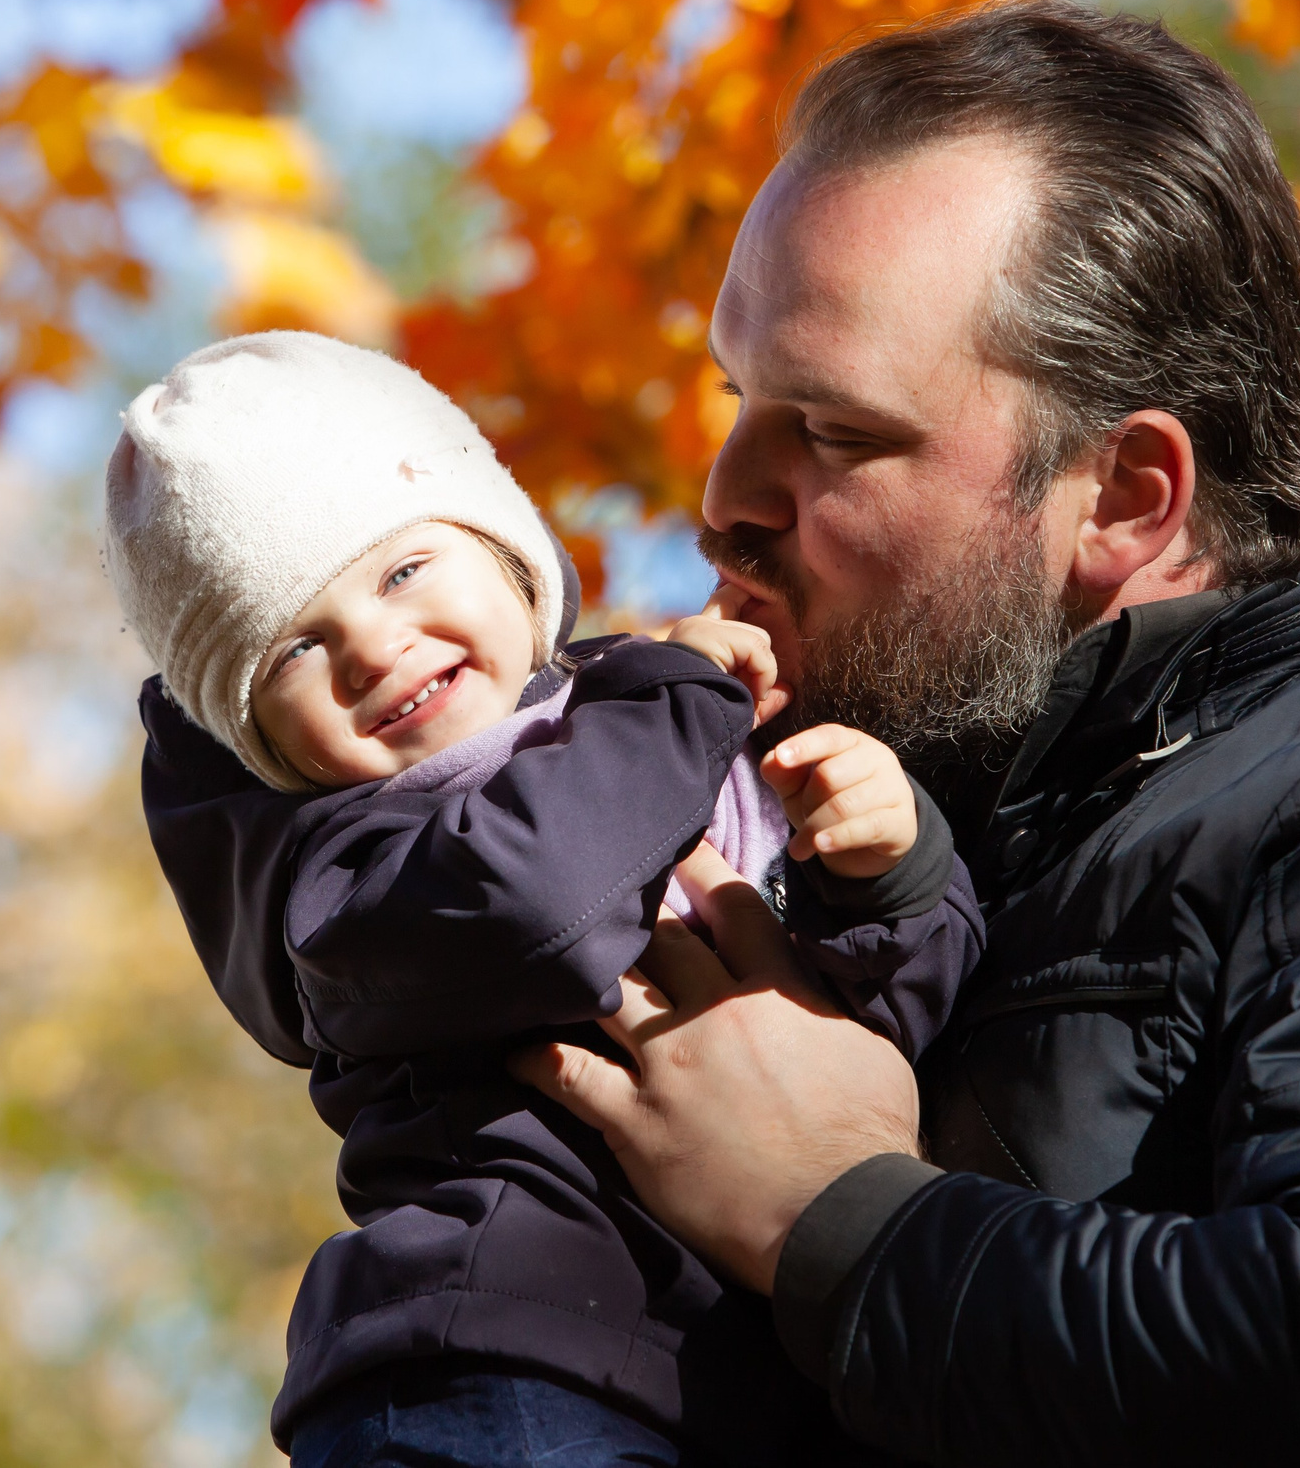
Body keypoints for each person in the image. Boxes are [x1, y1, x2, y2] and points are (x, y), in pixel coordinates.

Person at [512, 0, 1300, 1466]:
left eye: (834, 431)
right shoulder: (800, 830)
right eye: (741, 397)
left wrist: (832, 1210)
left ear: (1124, 495)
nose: (721, 489)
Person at [102, 330, 983, 1467]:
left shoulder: (662, 712)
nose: (373, 644)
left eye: (402, 569)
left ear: (509, 552)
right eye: (290, 654)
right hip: (498, 1366)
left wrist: (887, 873)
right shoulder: (346, 874)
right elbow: (537, 899)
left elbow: (886, 1033)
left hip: (734, 1380)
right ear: (260, 741)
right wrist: (682, 697)